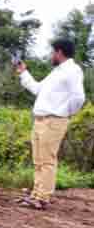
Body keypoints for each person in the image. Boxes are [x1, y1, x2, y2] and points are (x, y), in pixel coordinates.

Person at [16, 39, 86, 210]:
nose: (50, 55)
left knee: (47, 160)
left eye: (52, 52)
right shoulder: (56, 72)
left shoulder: (72, 70)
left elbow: (78, 98)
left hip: (54, 120)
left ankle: (42, 198)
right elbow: (38, 89)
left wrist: (64, 113)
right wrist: (23, 73)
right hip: (40, 120)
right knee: (38, 160)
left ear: (59, 52)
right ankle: (35, 194)